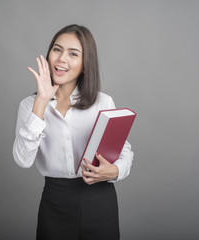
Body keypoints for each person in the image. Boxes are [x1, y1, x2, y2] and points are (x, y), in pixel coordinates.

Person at [13, 24, 133, 240]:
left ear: (85, 65)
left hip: (100, 201)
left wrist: (114, 172)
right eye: (57, 50)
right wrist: (41, 102)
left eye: (73, 54)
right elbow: (23, 160)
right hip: (55, 201)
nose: (61, 59)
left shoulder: (103, 102)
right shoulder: (29, 105)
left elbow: (125, 153)